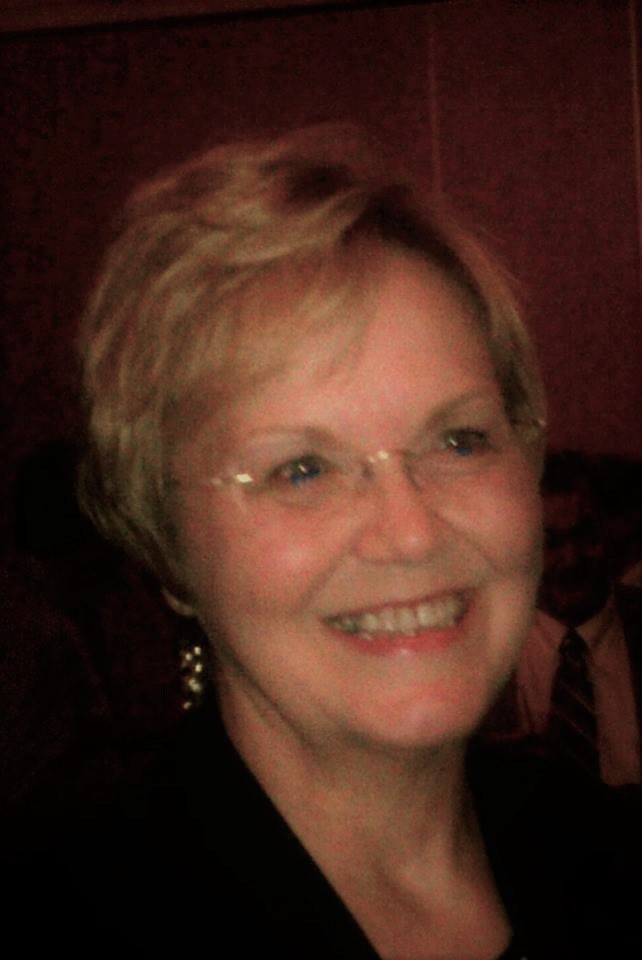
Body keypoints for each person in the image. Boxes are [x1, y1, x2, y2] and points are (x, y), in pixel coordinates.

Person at [3, 125, 640, 959]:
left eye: (458, 441)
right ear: (166, 546)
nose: (411, 534)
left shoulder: (605, 852)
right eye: (300, 469)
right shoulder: (66, 916)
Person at [512, 449, 642, 790]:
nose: (571, 559)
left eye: (586, 536)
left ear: (612, 532)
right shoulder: (481, 644)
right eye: (550, 543)